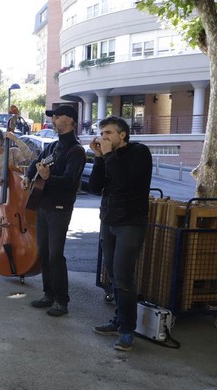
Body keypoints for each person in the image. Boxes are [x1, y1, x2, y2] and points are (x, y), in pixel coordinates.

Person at [89, 116, 152, 351]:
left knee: (124, 277)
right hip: (109, 221)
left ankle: (127, 330)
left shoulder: (139, 152)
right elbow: (95, 187)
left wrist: (107, 156)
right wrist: (98, 158)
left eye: (108, 133)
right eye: (102, 133)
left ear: (122, 134)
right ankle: (118, 320)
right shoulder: (108, 157)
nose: (103, 137)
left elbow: (125, 181)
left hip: (131, 223)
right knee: (114, 276)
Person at [22, 105, 85, 317]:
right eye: (54, 116)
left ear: (70, 120)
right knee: (44, 253)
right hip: (43, 205)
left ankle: (61, 300)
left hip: (60, 207)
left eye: (57, 116)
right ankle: (48, 294)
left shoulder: (75, 151)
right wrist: (28, 176)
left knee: (56, 255)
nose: (54, 120)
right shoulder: (54, 147)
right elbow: (37, 163)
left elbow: (69, 181)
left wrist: (48, 178)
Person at [0, 127, 33, 232]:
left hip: (15, 194)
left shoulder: (12, 152)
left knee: (16, 226)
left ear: (0, 138)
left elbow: (28, 155)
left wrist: (15, 139)